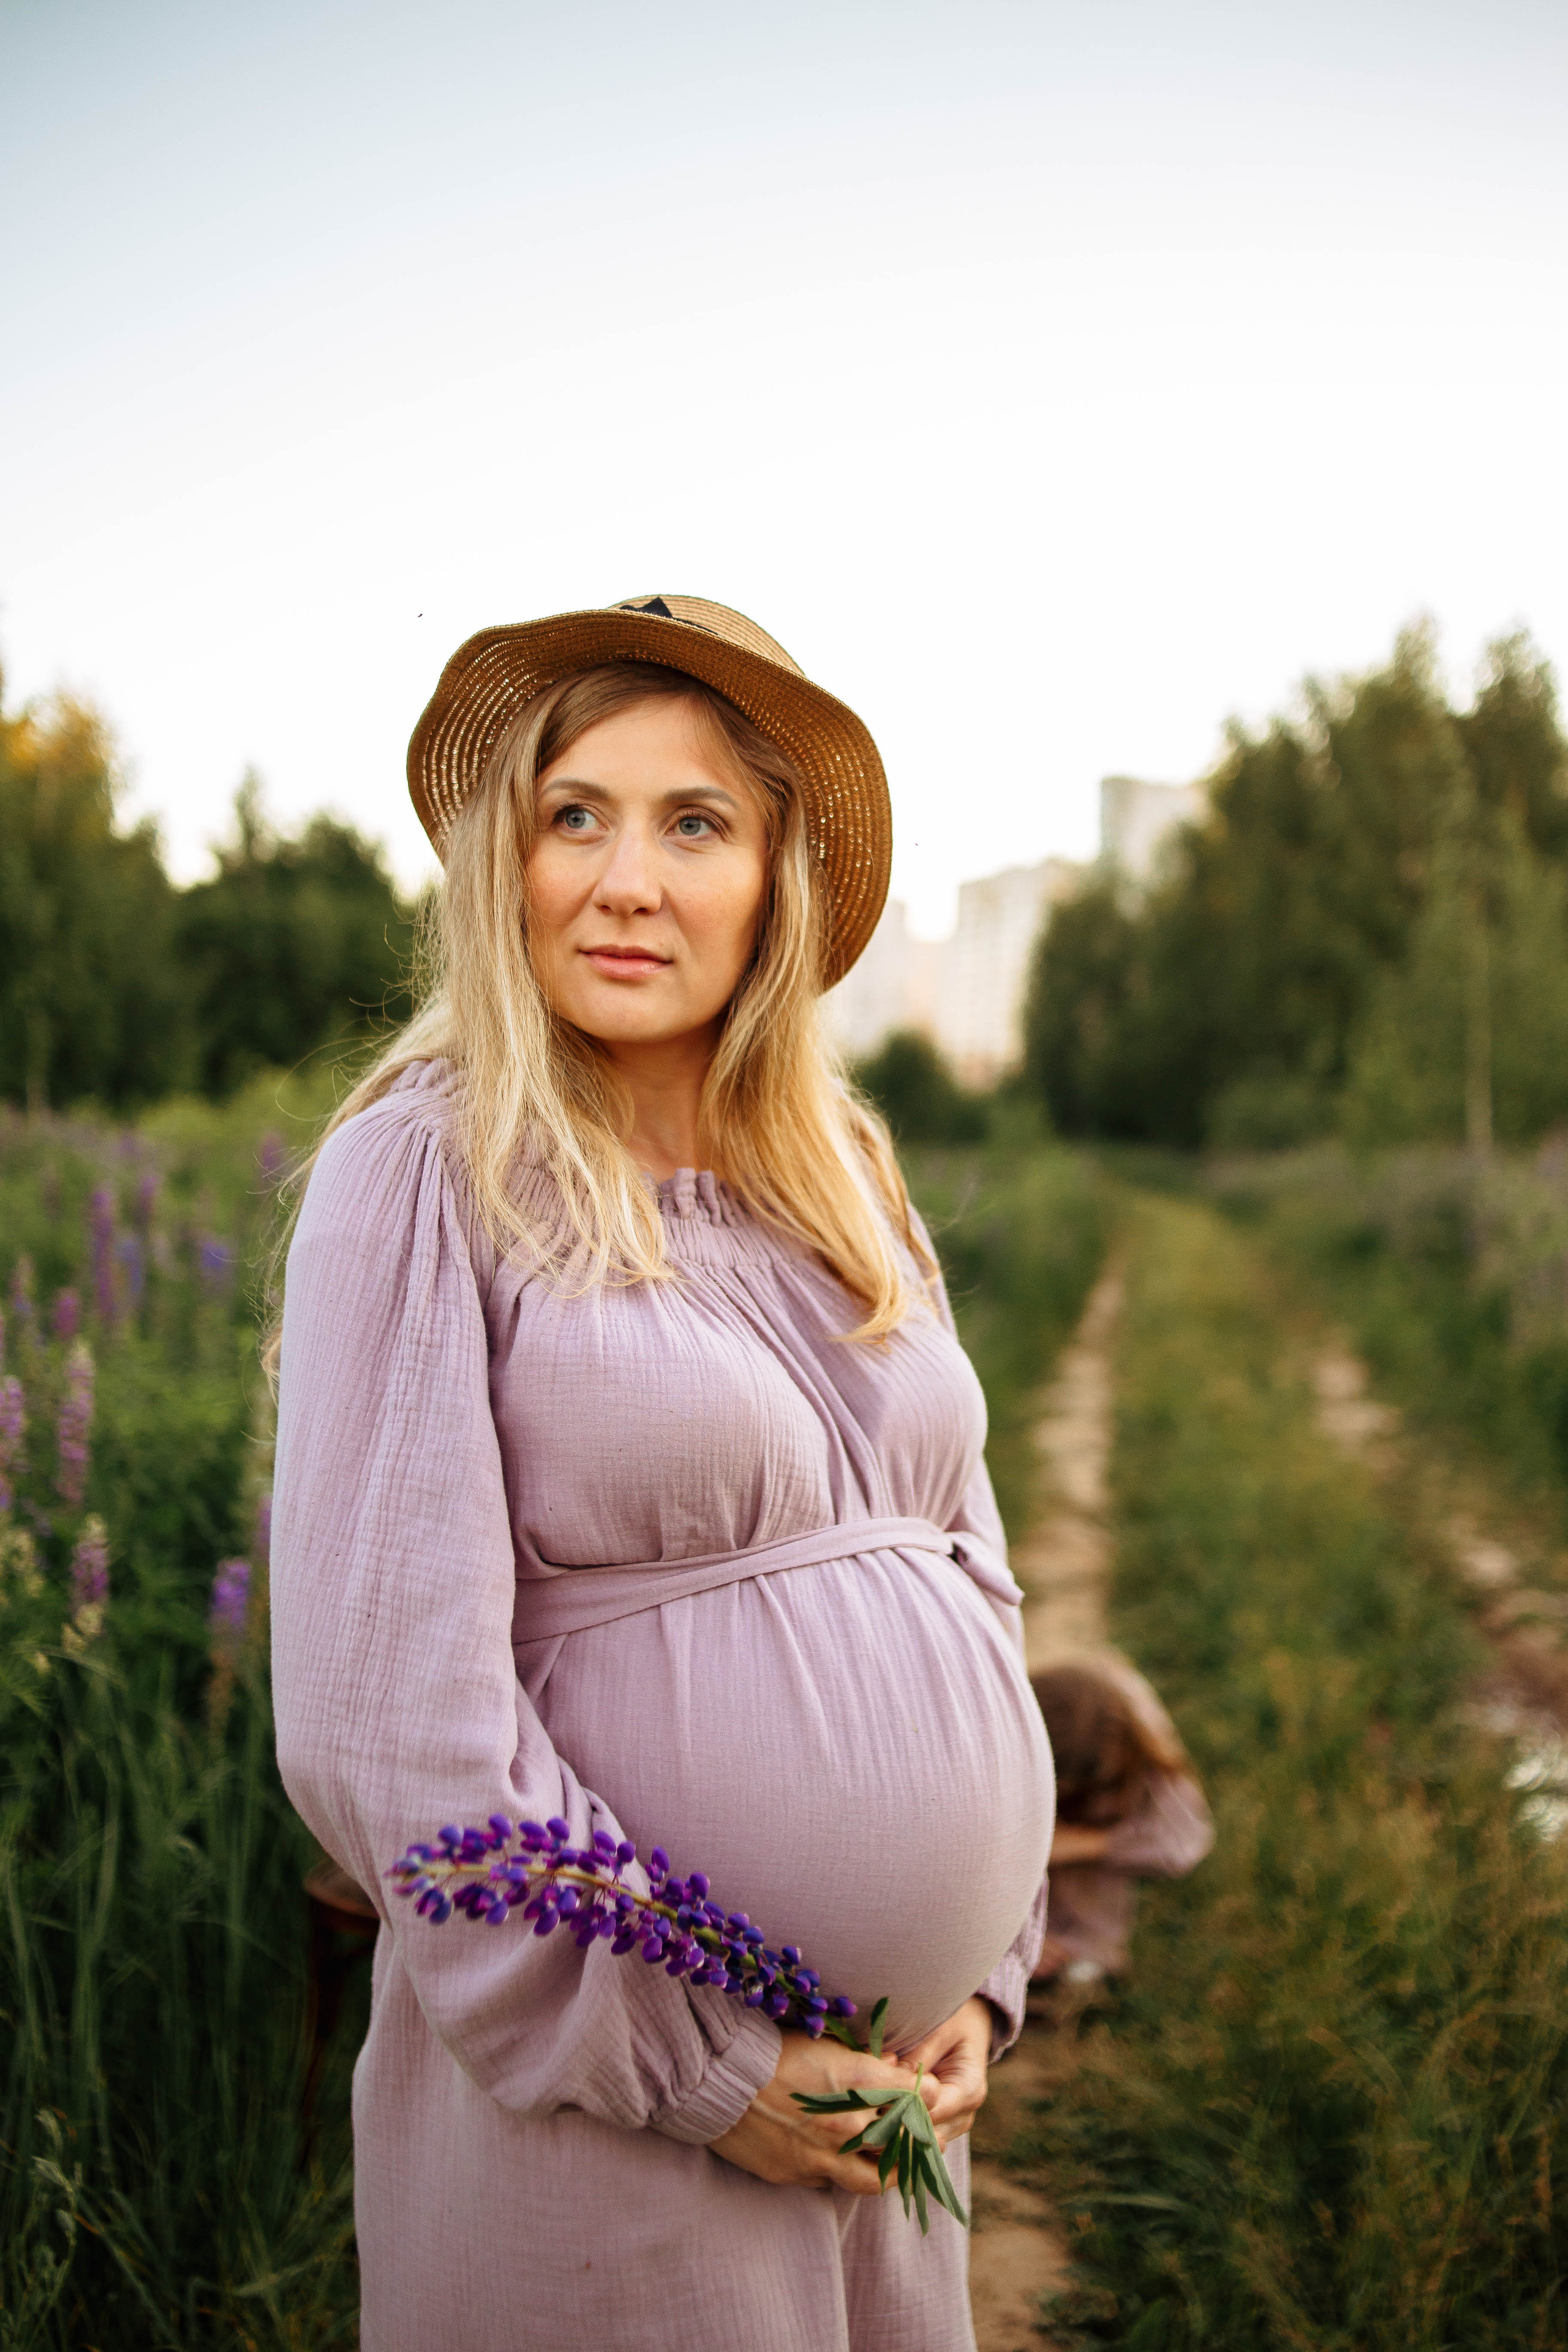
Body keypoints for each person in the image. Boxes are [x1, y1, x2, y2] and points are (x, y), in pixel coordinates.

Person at [269, 594, 1055, 2351]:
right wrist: (707, 2067)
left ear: (775, 881)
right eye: (577, 816)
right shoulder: (428, 1169)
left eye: (693, 823)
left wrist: (981, 1971)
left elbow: (969, 1568)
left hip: (890, 2106)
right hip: (608, 2132)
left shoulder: (844, 1169)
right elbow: (385, 1737)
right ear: (510, 861)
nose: (625, 880)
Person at [1029, 1649, 1213, 1986]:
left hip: (1082, 1912)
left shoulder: (1130, 1737)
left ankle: (1076, 1951)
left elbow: (1184, 1844)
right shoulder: (1031, 1718)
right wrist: (1019, 1940)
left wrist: (1083, 1845)